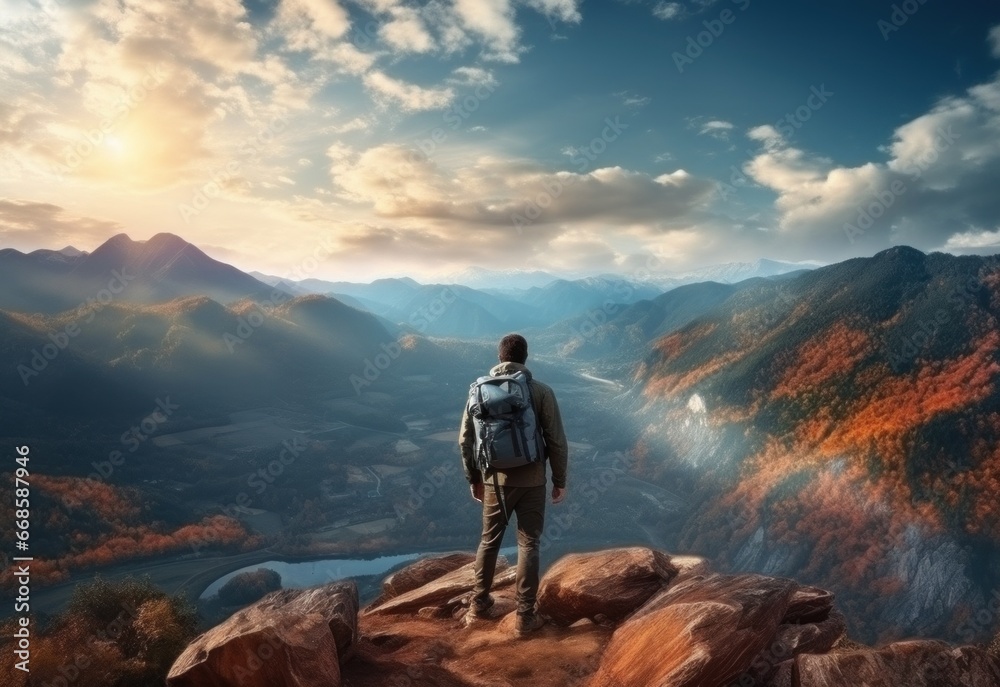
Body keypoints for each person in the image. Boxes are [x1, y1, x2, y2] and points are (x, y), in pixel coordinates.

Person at [459, 333, 568, 636]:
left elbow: (465, 440)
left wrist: (474, 478)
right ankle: (525, 616)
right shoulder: (541, 392)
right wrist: (559, 480)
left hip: (494, 480)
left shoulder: (479, 391)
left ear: (499, 358)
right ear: (525, 357)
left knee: (489, 540)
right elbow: (557, 441)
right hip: (532, 481)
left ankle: (479, 604)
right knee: (529, 542)